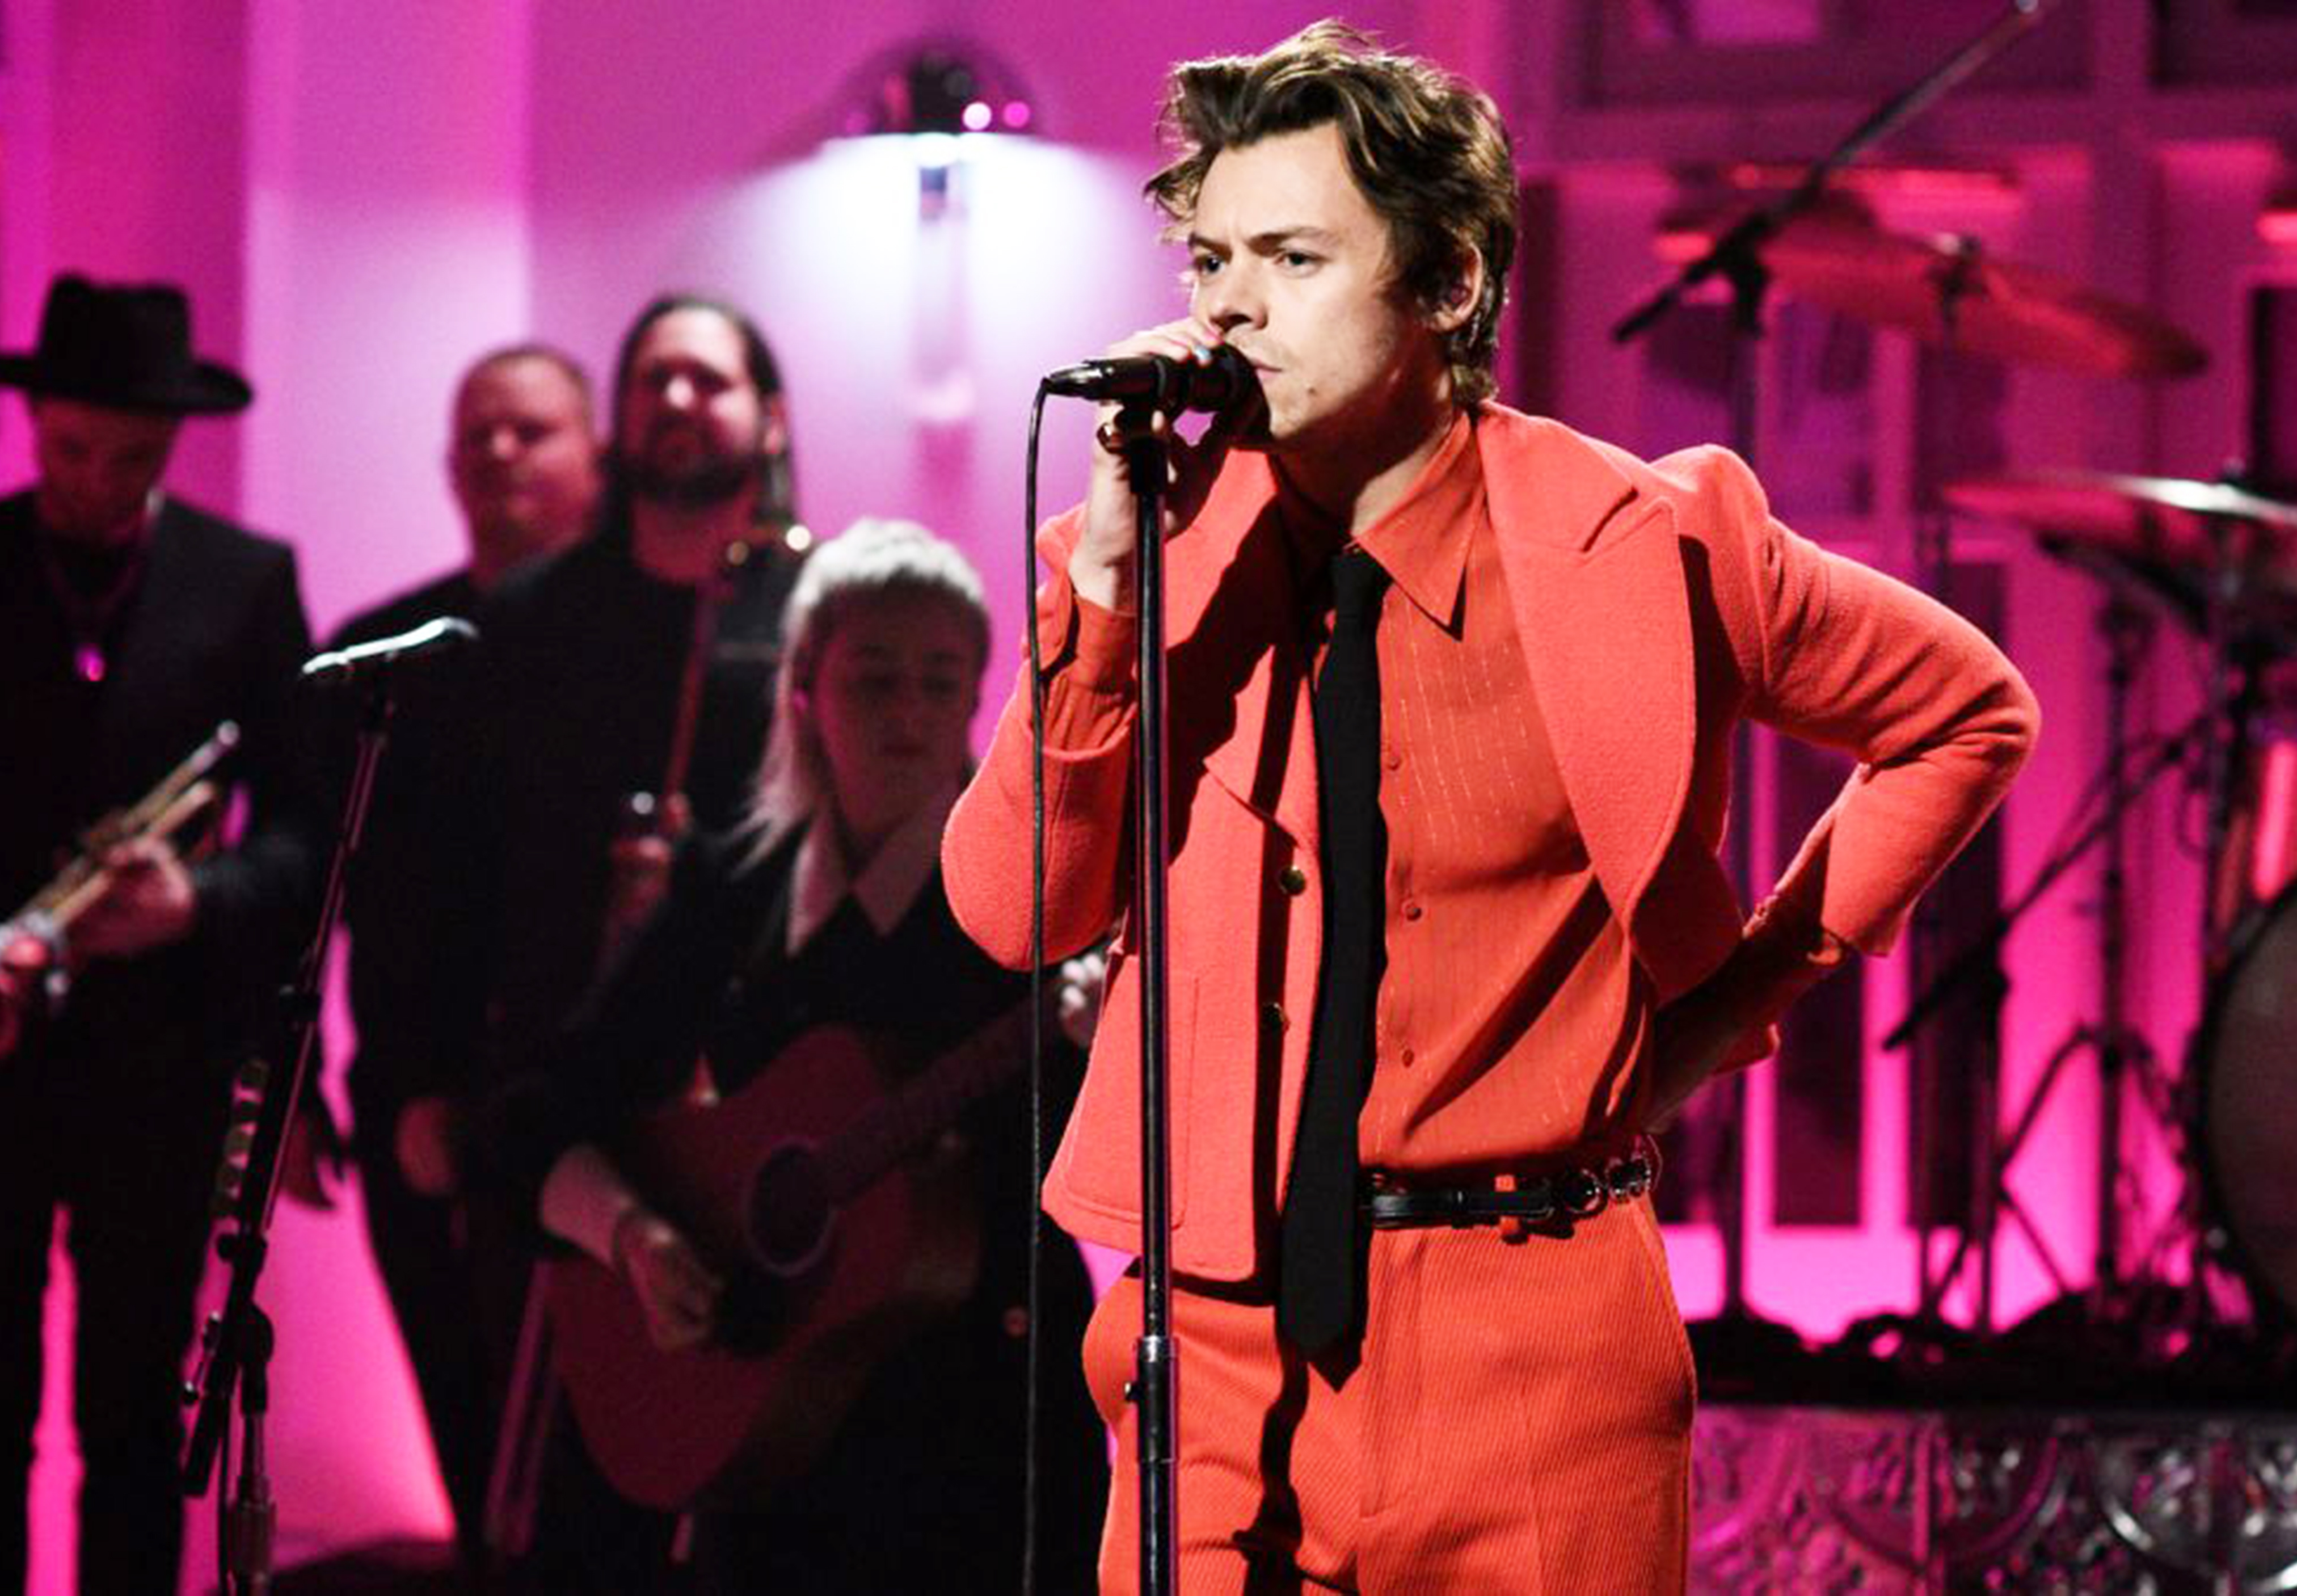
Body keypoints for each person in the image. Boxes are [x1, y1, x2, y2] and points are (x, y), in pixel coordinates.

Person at [938, 24, 2039, 1594]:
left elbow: (1965, 709)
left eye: (1293, 258)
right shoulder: (1143, 564)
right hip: (1219, 1359)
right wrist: (1108, 592)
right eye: (1211, 260)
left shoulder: (1647, 542)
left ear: (1449, 283)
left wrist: (1735, 1003)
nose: (1231, 307)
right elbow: (1015, 913)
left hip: (1535, 1356)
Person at [0, 272, 320, 1594]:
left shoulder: (246, 582)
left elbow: (303, 833)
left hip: (157, 1064)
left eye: (132, 459)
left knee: (134, 1423)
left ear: (175, 445)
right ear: (35, 422)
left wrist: (194, 902)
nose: (97, 482)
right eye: (71, 451)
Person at [522, 520, 1107, 1593]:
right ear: (803, 690)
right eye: (873, 677)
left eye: (941, 681)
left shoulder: (1038, 889)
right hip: (774, 1432)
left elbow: (1105, 1162)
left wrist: (1097, 1038)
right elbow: (552, 1109)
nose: (908, 711)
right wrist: (635, 1237)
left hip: (987, 1425)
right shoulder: (734, 883)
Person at [460, 294, 807, 1587]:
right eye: (653, 378)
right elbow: (465, 866)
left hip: (748, 1096)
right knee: (555, 1506)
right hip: (564, 1093)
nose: (675, 403)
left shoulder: (817, 609)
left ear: (770, 418)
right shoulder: (534, 616)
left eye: (707, 381)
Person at [321, 343, 601, 1582]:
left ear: (594, 457)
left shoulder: (631, 638)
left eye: (530, 431)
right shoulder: (380, 654)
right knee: (466, 1433)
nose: (498, 453)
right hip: (412, 1095)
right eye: (478, 434)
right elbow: (328, 889)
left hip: (586, 1102)